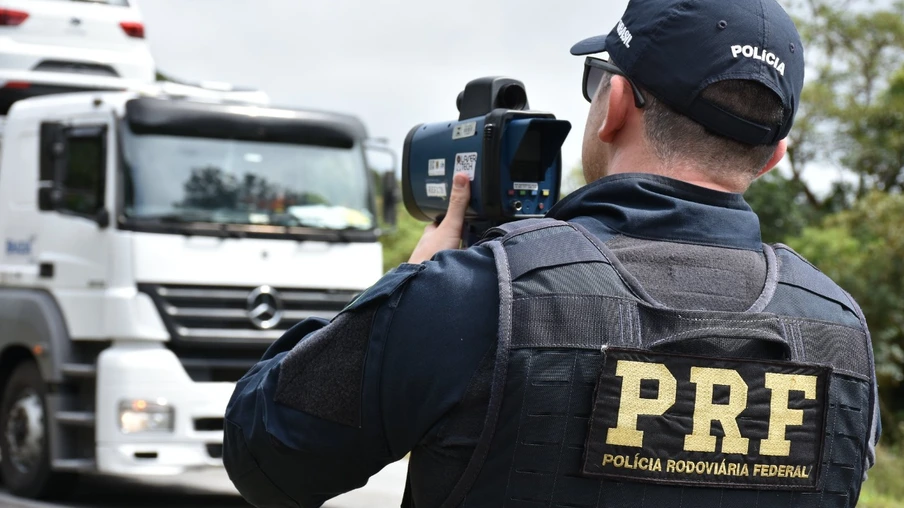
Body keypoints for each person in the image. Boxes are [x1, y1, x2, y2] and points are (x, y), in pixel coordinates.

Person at [222, 0, 882, 506]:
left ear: (614, 105)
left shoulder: (475, 295)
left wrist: (414, 279)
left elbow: (267, 458)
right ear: (774, 156)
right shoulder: (841, 334)